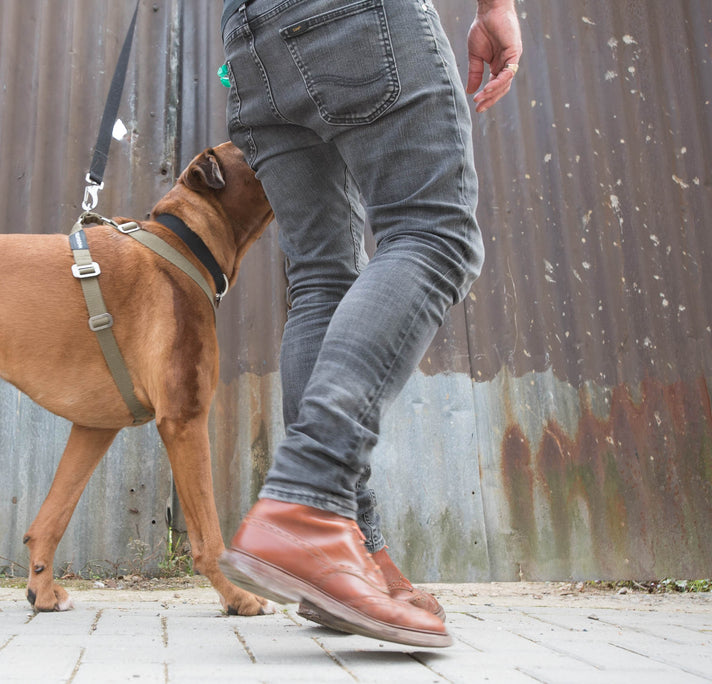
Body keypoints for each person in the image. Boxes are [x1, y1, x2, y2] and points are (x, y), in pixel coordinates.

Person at [218, 0, 523, 647]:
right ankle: (309, 500)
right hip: (351, 17)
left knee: (322, 279)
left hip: (249, 41)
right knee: (434, 232)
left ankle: (349, 547)